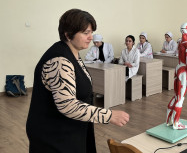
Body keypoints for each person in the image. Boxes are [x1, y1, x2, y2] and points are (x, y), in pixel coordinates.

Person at [26, 9, 129, 153]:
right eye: (86, 33)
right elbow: (67, 105)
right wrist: (109, 115)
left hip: (70, 129)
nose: (91, 37)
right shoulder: (60, 60)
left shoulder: (72, 53)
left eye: (91, 32)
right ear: (68, 35)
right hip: (54, 136)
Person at [166, 23, 187, 130]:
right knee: (180, 98)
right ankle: (176, 123)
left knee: (176, 96)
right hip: (184, 72)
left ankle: (169, 120)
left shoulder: (180, 43)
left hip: (178, 69)